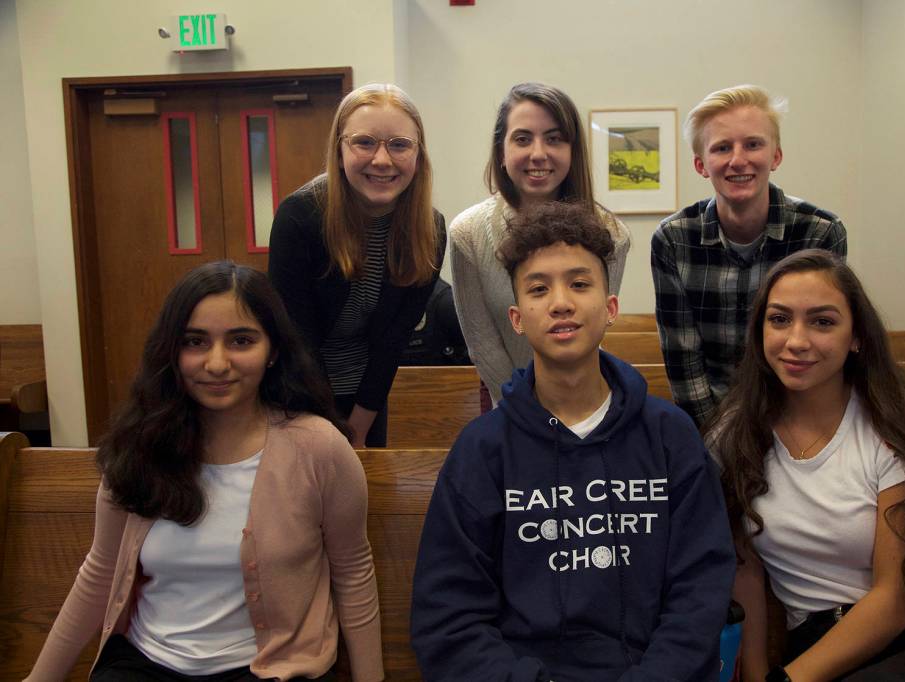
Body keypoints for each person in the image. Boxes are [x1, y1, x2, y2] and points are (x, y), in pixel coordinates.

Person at [411, 201, 734, 682]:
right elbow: (448, 618)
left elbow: (700, 591)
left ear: (610, 308)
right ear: (518, 318)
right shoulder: (483, 450)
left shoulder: (670, 436)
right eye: (539, 289)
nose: (560, 301)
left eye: (579, 284)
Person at [26, 261, 383, 681]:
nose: (216, 363)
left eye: (241, 341)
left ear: (273, 352)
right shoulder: (140, 446)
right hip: (144, 665)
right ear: (172, 353)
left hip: (270, 669)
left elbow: (353, 571)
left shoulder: (318, 448)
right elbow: (100, 573)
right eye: (195, 342)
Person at [707, 250, 905, 681]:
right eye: (779, 319)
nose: (796, 340)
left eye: (822, 322)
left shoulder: (901, 437)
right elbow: (744, 569)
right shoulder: (733, 437)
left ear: (856, 337)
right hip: (817, 648)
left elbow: (896, 598)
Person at [652, 84, 847, 427]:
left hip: (799, 417)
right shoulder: (674, 240)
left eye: (753, 144)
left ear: (776, 155)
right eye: (722, 148)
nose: (738, 160)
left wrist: (788, 436)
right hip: (709, 424)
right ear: (701, 164)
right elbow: (684, 362)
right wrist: (718, 443)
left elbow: (819, 349)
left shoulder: (821, 233)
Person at [269, 82, 445, 447]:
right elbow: (298, 338)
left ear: (419, 154)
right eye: (364, 142)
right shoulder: (300, 217)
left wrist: (359, 428)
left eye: (399, 144)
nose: (382, 160)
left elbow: (393, 340)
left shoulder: (429, 228)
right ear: (339, 150)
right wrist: (329, 430)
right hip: (298, 395)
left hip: (368, 397)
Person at [450, 82, 631, 407]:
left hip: (584, 399)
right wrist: (525, 411)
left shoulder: (611, 234)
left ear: (572, 151)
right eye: (522, 139)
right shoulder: (467, 233)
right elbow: (483, 345)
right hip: (508, 406)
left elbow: (590, 331)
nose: (538, 153)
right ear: (501, 152)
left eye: (554, 139)